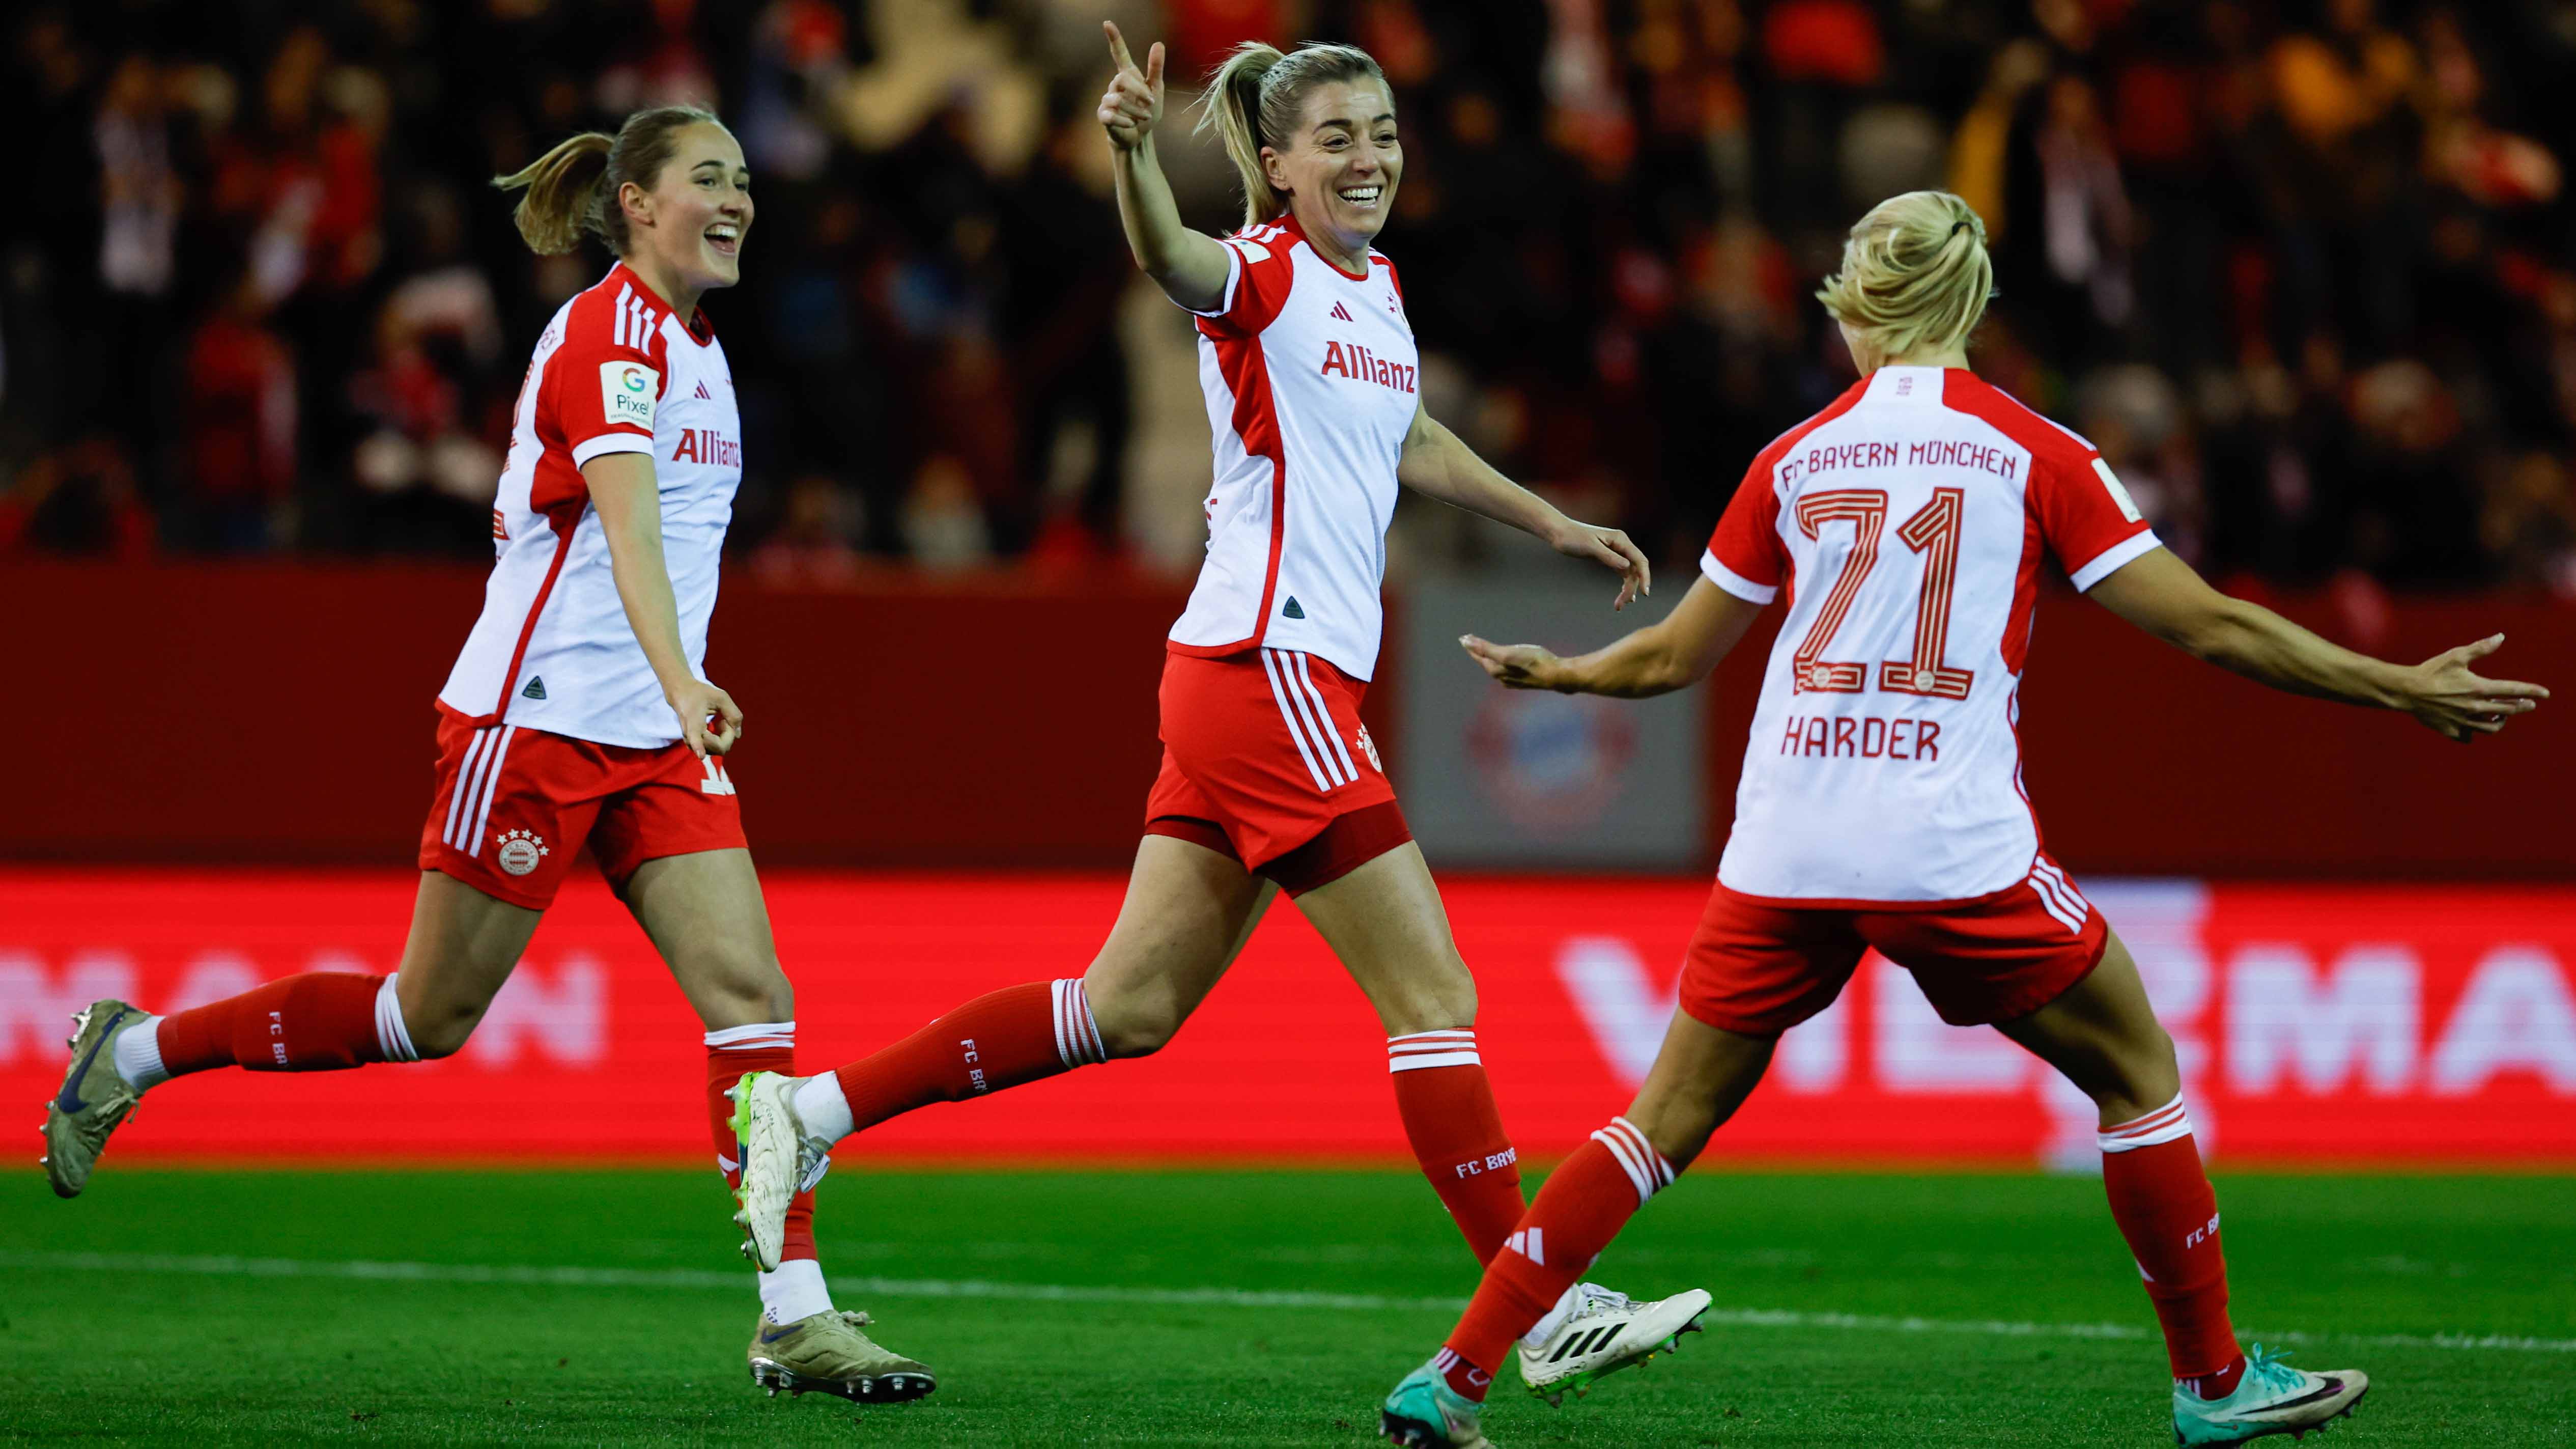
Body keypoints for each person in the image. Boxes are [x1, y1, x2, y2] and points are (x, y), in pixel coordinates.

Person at [1377, 190, 2550, 1448]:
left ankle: (1451, 1376)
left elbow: (1669, 658)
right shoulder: (2033, 451)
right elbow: (2208, 620)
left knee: (1657, 1119)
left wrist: (1565, 672)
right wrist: (2393, 685)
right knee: (2137, 1071)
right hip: (1943, 842)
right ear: (1975, 305)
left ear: (1853, 307)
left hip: (1786, 840)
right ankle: (2212, 1388)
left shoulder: (1793, 455)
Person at [726, 25, 1710, 1400]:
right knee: (1431, 993)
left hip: (1234, 675)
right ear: (1273, 161)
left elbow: (1406, 433)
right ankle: (1535, 1307)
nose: (1365, 155)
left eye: (1378, 130)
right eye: (1333, 138)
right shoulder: (1257, 272)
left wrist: (1546, 518)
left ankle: (810, 1110)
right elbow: (1167, 258)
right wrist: (1132, 153)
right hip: (1273, 668)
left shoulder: (1376, 293)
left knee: (1125, 1007)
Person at [42, 105, 935, 1407]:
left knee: (756, 1003)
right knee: (424, 1016)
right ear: (634, 201)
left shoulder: (703, 348)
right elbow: (627, 533)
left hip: (651, 742)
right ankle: (130, 1052)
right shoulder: (606, 333)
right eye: (706, 179)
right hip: (539, 719)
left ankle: (790, 1317)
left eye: (744, 180)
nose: (737, 200)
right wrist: (686, 679)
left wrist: (671, 698)